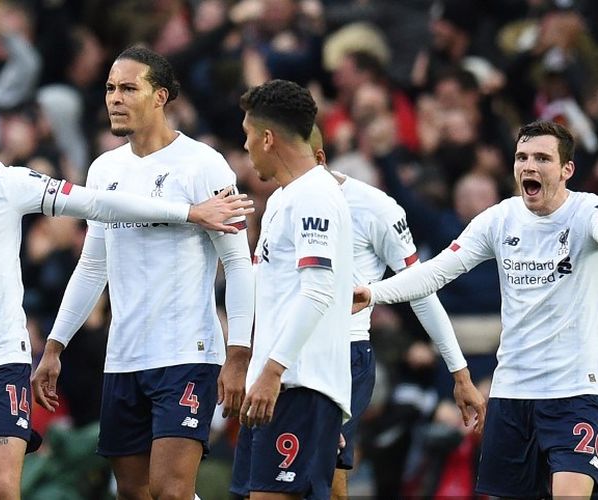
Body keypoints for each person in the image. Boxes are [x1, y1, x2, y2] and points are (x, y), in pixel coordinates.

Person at [0, 71, 253, 500]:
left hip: (4, 359)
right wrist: (55, 346)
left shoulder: (4, 182)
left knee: (4, 489)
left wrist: (190, 212)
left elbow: (95, 203)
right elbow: (93, 263)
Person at [32, 46, 255, 499]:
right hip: (124, 356)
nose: (115, 98)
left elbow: (237, 262)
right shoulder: (104, 169)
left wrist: (238, 354)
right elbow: (94, 265)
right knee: (134, 493)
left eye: (129, 88)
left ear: (160, 97)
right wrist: (54, 345)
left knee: (171, 491)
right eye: (111, 88)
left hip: (187, 353)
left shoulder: (203, 164)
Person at [353, 120, 598, 498]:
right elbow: (434, 273)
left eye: (542, 159)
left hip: (574, 391)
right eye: (522, 157)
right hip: (512, 390)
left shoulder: (586, 214)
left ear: (567, 170)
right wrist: (374, 292)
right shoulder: (500, 219)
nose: (529, 166)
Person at [305, 126, 486, 499]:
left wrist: (459, 371)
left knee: (324, 471)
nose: (246, 147)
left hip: (354, 355)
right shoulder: (278, 201)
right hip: (285, 357)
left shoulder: (376, 208)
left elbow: (421, 285)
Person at [229, 79, 353, 499]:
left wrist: (273, 371)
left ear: (267, 138)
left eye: (247, 136)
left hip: (294, 386)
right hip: (281, 386)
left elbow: (317, 291)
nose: (245, 148)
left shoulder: (314, 196)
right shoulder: (287, 197)